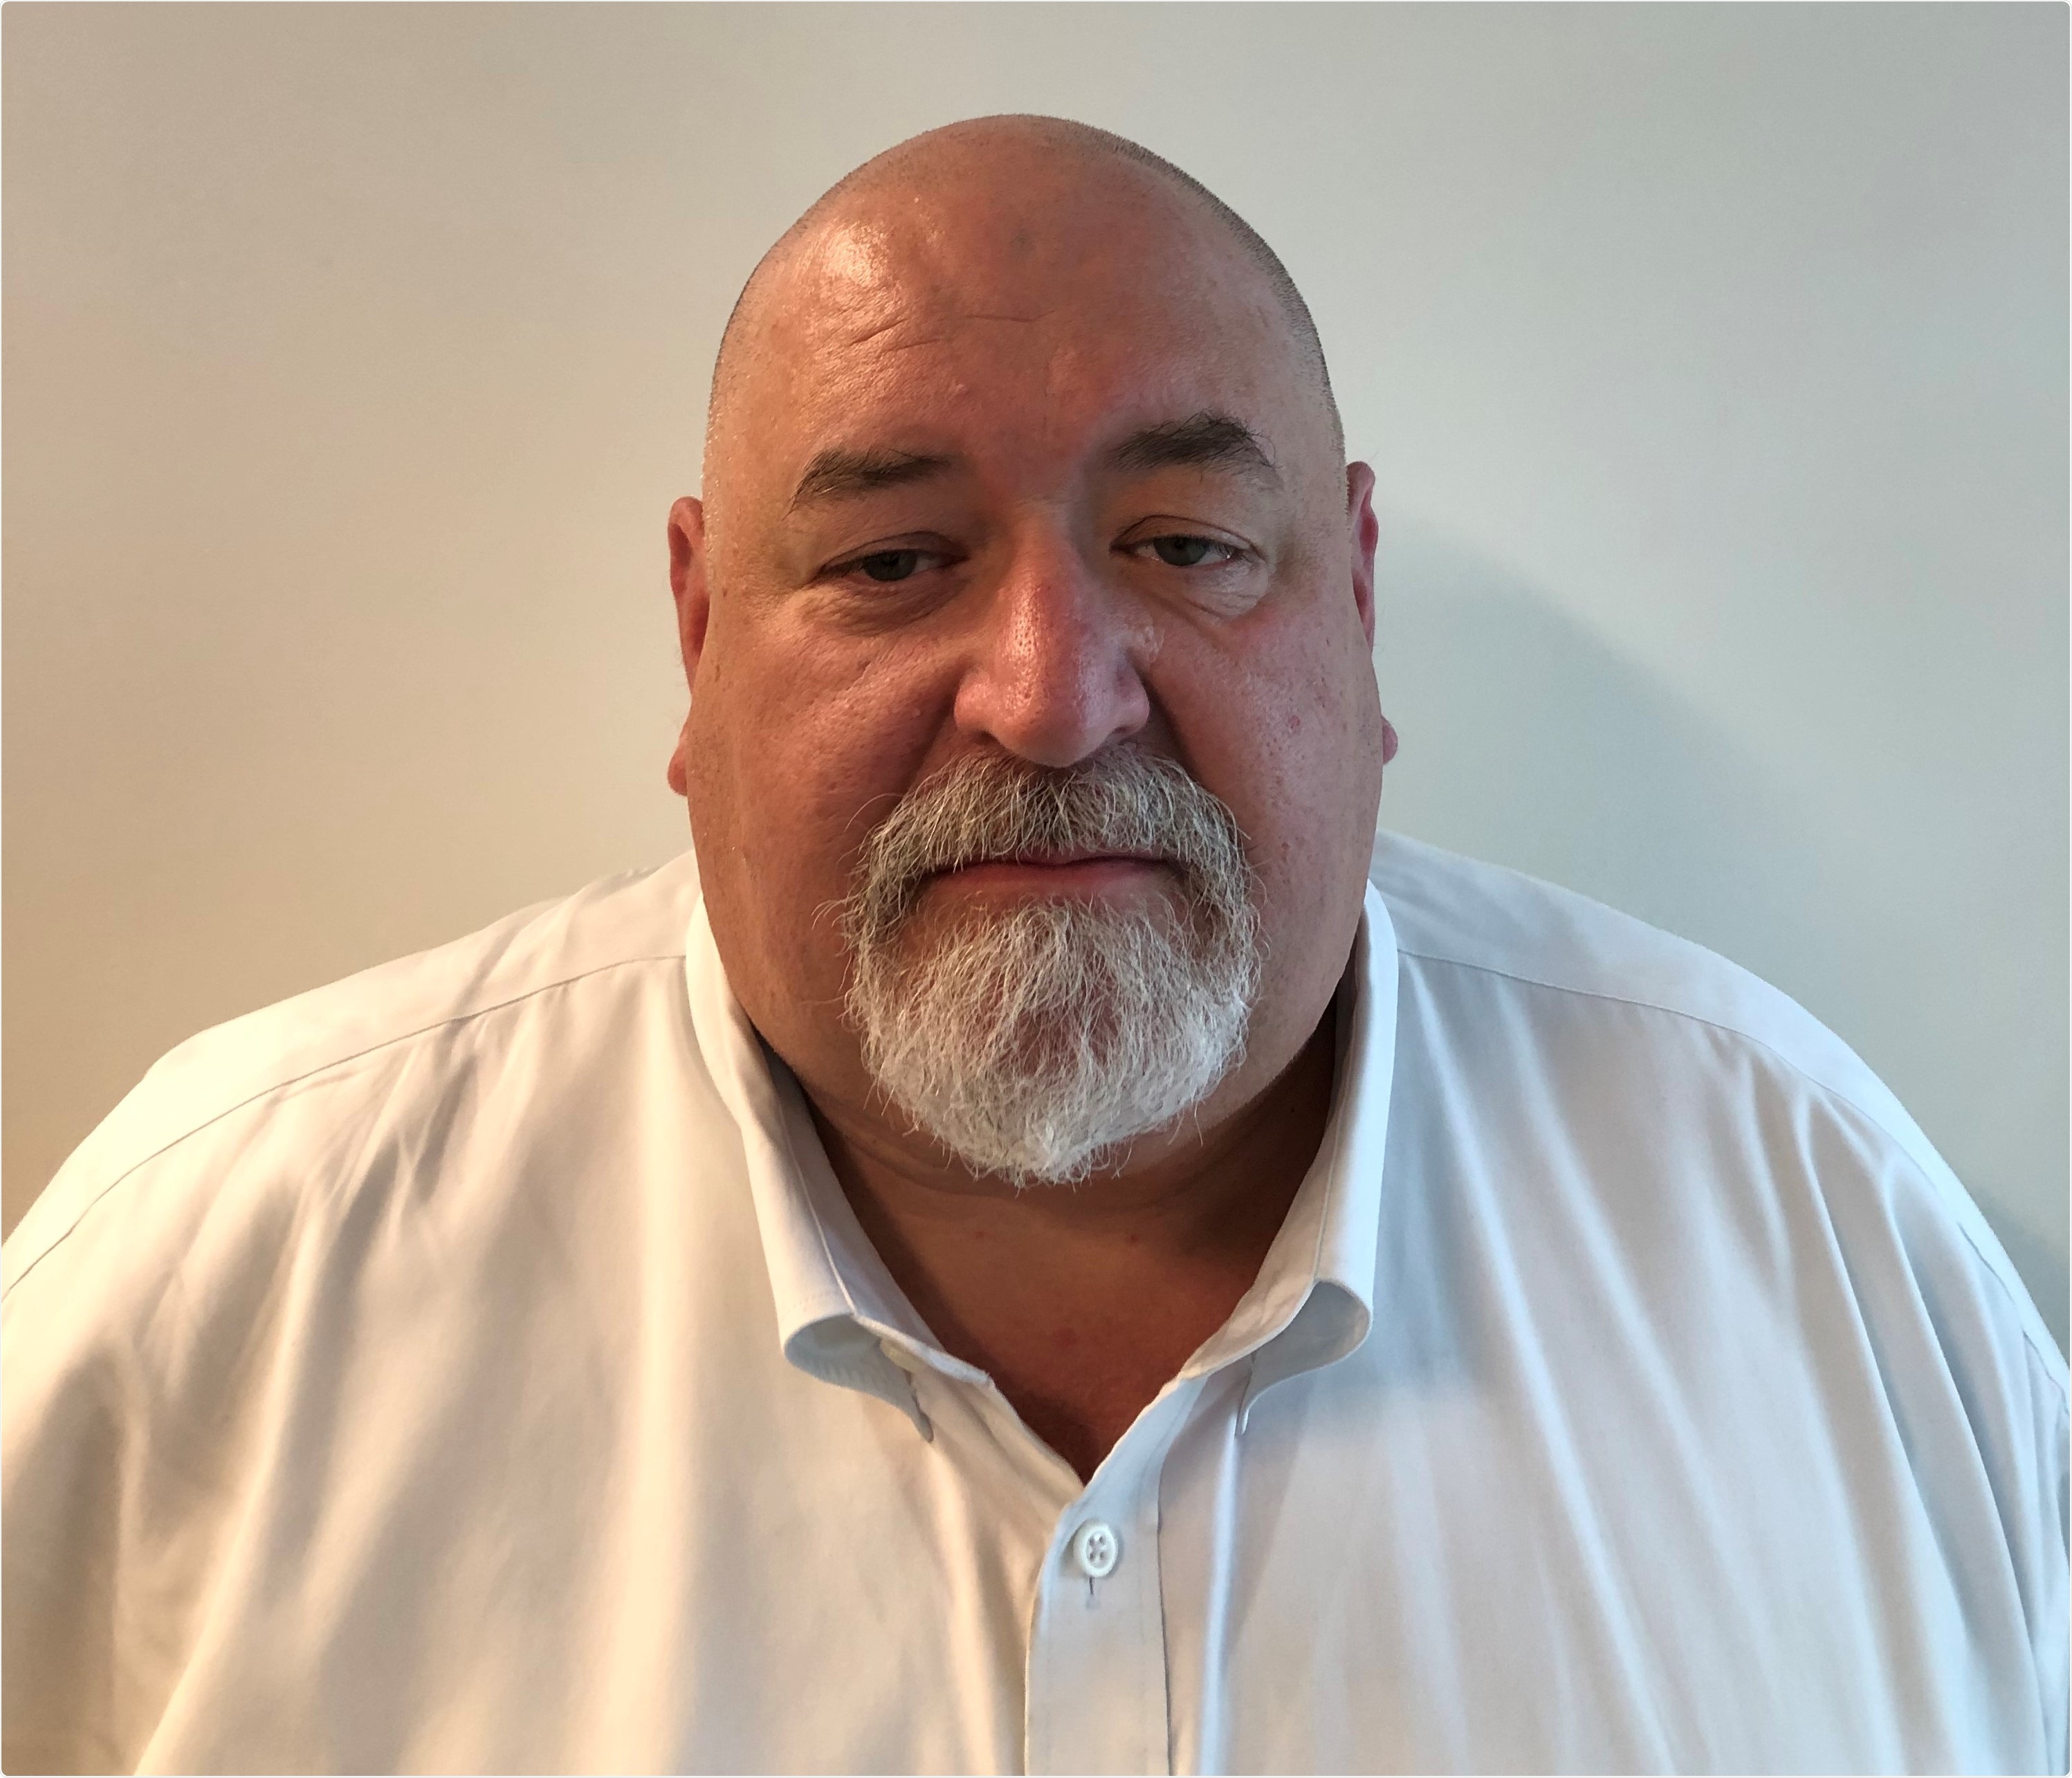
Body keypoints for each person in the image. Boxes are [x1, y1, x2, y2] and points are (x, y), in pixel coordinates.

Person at [3, 113, 2063, 1776]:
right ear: (701, 638)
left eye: (1186, 546)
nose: (1053, 697)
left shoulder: (1819, 1238)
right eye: (895, 560)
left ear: (1355, 606)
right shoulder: (221, 1286)